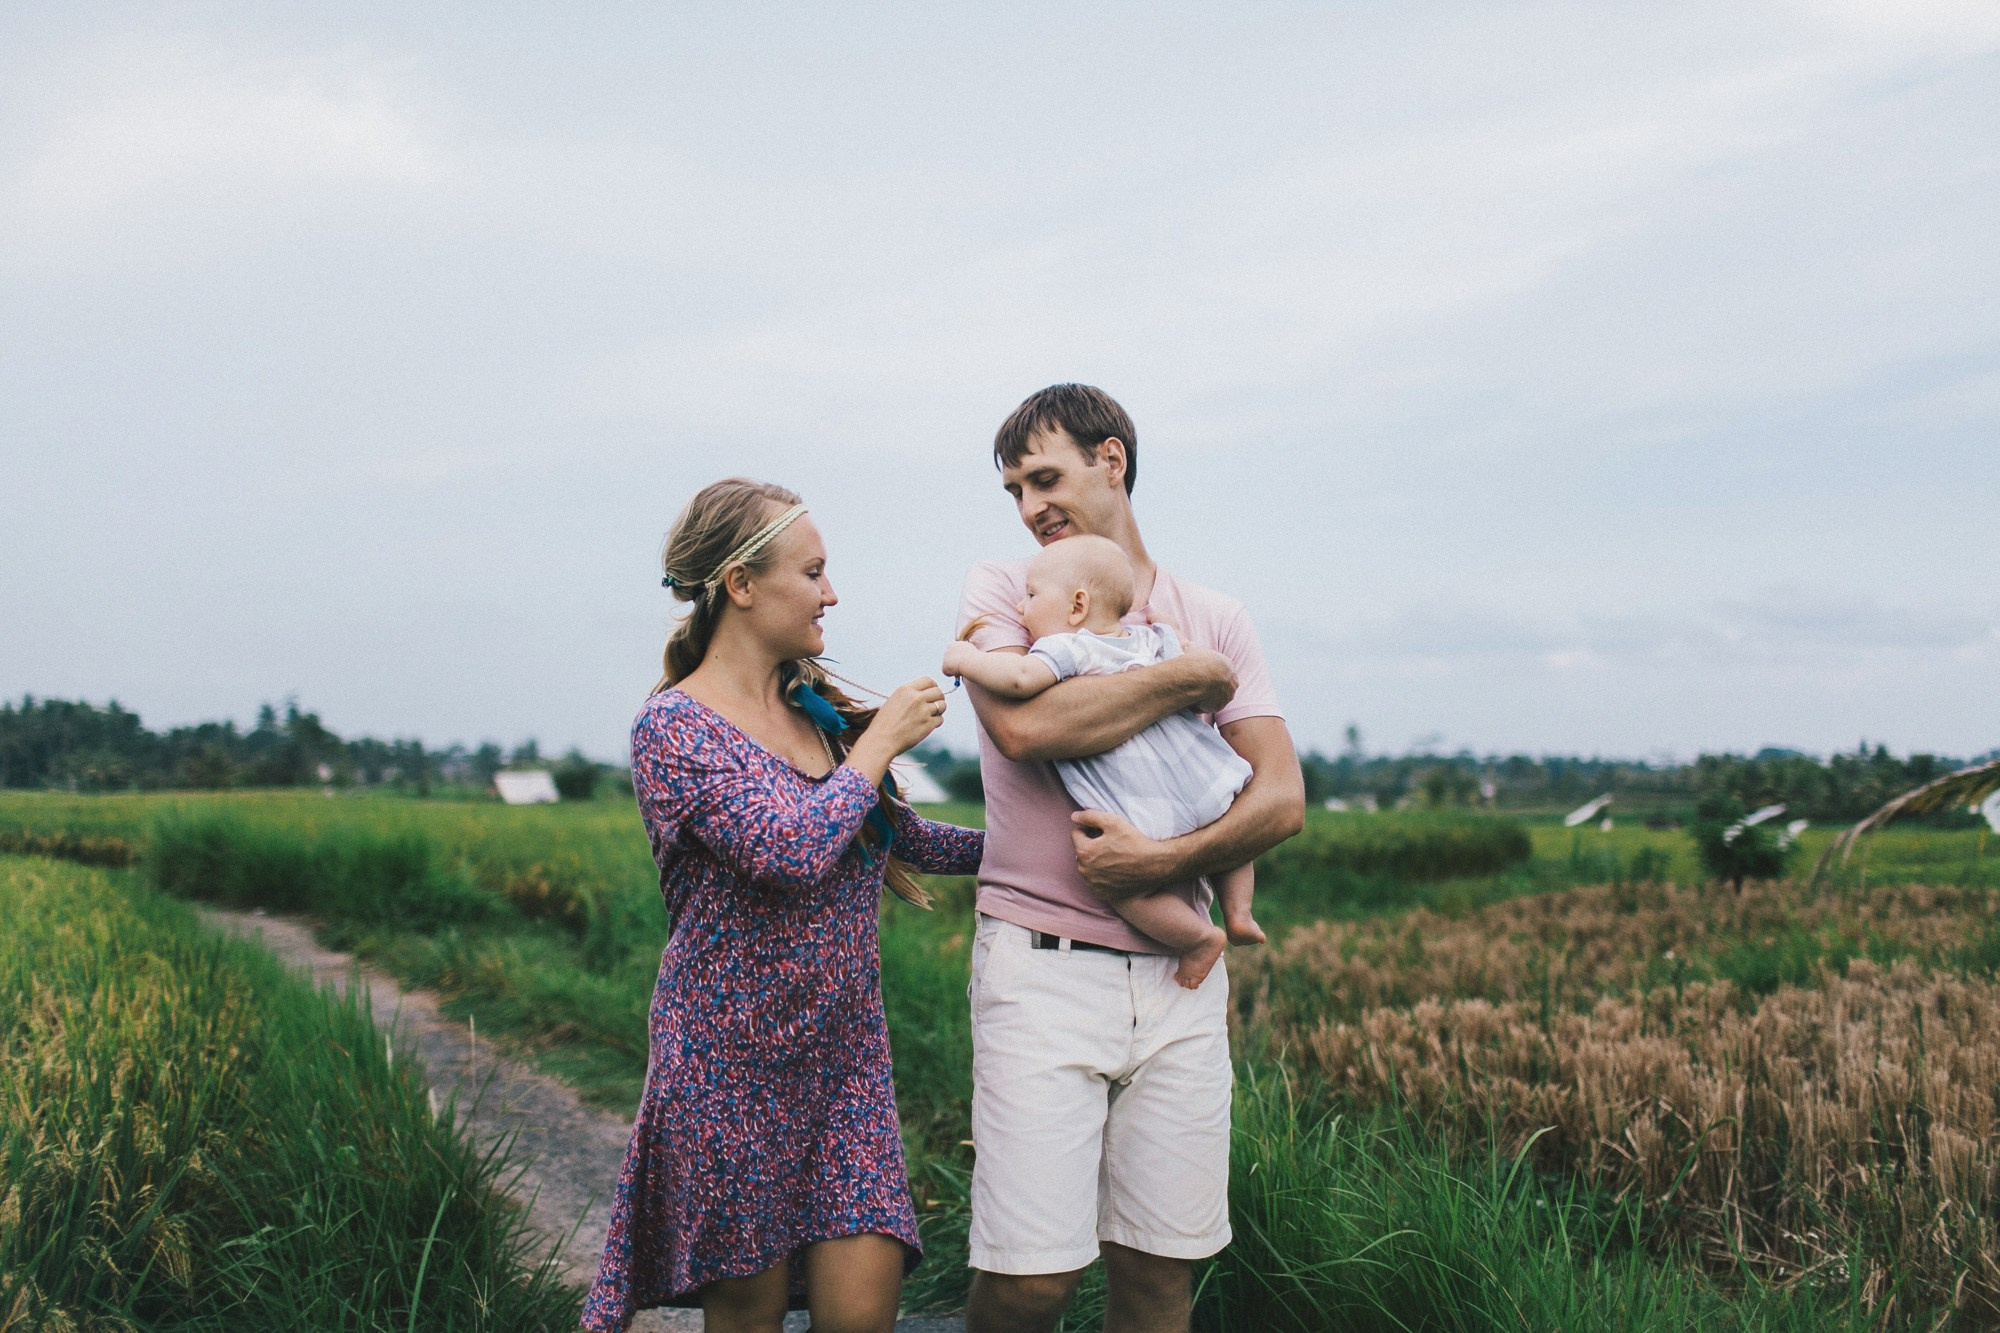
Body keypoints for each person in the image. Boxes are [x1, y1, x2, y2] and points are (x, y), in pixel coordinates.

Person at [580, 478, 984, 1333]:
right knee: (751, 1321)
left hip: (844, 1062)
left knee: (861, 1314)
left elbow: (893, 837)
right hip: (725, 1069)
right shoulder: (674, 731)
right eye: (814, 571)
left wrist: (1042, 849)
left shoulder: (812, 712)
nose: (831, 592)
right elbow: (790, 848)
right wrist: (878, 742)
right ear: (741, 584)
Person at [955, 385, 1305, 1333]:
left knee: (1158, 1273)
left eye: (1044, 477)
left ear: (1112, 459)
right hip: (1040, 971)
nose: (1029, 507)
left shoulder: (1215, 613)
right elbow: (1028, 725)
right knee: (1033, 1278)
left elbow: (1280, 796)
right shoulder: (1006, 590)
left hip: (1183, 983)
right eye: (1015, 490)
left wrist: (1161, 859)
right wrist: (1185, 678)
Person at [941, 533, 1258, 990]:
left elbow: (1018, 680)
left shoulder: (1069, 649)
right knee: (1229, 833)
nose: (1020, 609)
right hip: (1194, 778)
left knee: (1122, 887)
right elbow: (1188, 654)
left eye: (1030, 596)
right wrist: (1169, 628)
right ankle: (1239, 912)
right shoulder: (1149, 639)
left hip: (1139, 809)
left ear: (1076, 607)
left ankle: (1199, 938)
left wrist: (967, 659)